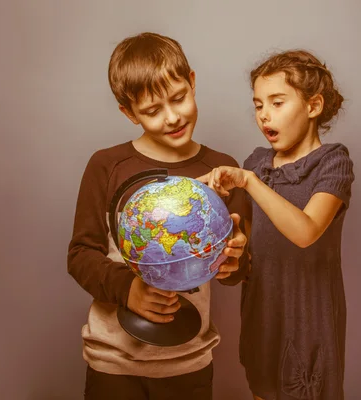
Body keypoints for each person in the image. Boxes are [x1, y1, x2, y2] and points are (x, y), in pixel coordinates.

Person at [67, 32, 249, 400]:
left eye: (179, 98)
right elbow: (80, 255)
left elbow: (237, 271)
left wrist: (237, 261)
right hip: (114, 365)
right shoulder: (106, 166)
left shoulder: (224, 170)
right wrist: (128, 289)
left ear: (192, 81)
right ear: (128, 112)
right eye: (152, 111)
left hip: (189, 364)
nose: (172, 117)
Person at [198, 50, 355, 400]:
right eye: (258, 105)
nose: (264, 115)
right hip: (263, 316)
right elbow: (249, 244)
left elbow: (306, 231)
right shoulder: (257, 162)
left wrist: (250, 182)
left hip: (308, 318)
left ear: (313, 106)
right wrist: (227, 233)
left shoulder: (333, 163)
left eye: (277, 102)